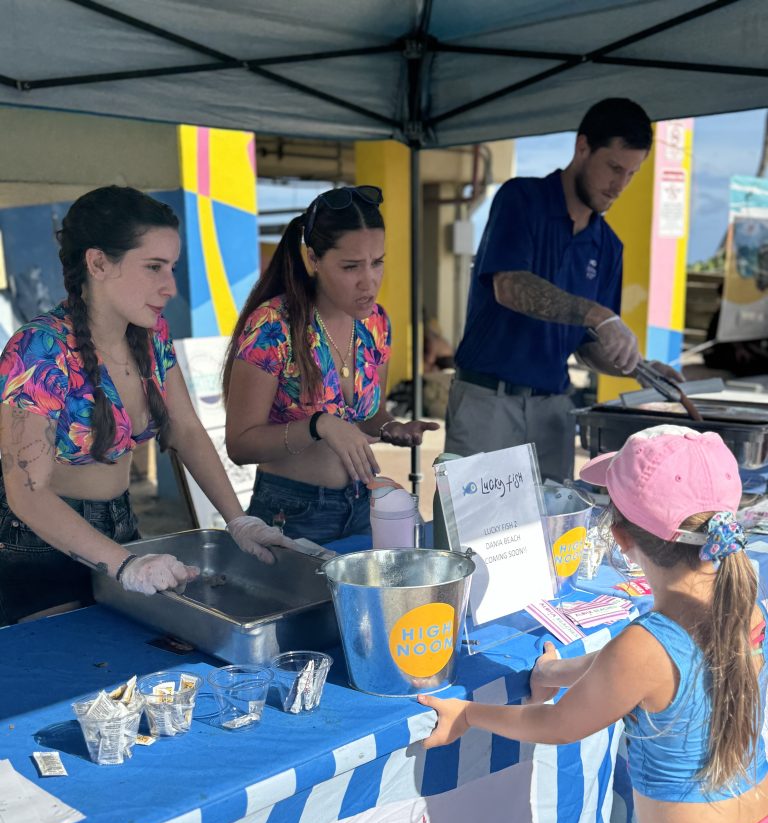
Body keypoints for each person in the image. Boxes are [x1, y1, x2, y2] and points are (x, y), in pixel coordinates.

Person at [419, 425, 768, 823]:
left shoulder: (645, 646)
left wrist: (470, 713)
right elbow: (633, 670)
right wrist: (560, 671)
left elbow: (560, 724)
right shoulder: (745, 604)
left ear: (622, 540)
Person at [0, 185, 296, 627]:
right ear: (98, 263)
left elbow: (186, 429)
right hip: (41, 545)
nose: (170, 286)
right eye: (154, 267)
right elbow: (28, 493)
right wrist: (125, 566)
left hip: (123, 528)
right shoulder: (39, 349)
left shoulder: (151, 335)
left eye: (171, 267)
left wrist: (238, 521)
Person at [446, 97, 682, 483]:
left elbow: (587, 346)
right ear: (582, 147)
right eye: (614, 168)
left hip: (554, 410)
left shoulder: (608, 246)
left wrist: (638, 368)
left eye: (632, 174)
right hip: (488, 401)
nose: (620, 185)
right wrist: (600, 315)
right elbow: (509, 286)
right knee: (473, 521)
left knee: (554, 519)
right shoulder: (521, 199)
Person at [222, 185, 439, 545]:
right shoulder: (274, 325)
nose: (369, 280)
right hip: (291, 512)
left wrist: (391, 427)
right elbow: (240, 445)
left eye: (377, 262)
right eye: (351, 266)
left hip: (363, 501)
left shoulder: (375, 323)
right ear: (313, 260)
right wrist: (318, 426)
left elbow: (369, 414)